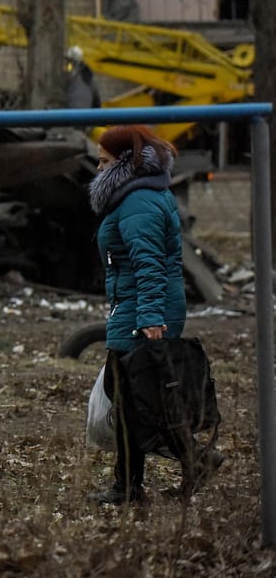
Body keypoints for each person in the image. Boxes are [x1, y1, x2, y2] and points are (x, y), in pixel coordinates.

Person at [87, 124, 221, 505]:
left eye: (104, 162)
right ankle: (173, 467)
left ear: (125, 163)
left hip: (143, 309)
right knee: (135, 395)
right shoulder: (139, 195)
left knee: (131, 395)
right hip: (136, 305)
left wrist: (148, 317)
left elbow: (149, 264)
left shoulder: (138, 201)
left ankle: (136, 483)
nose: (98, 170)